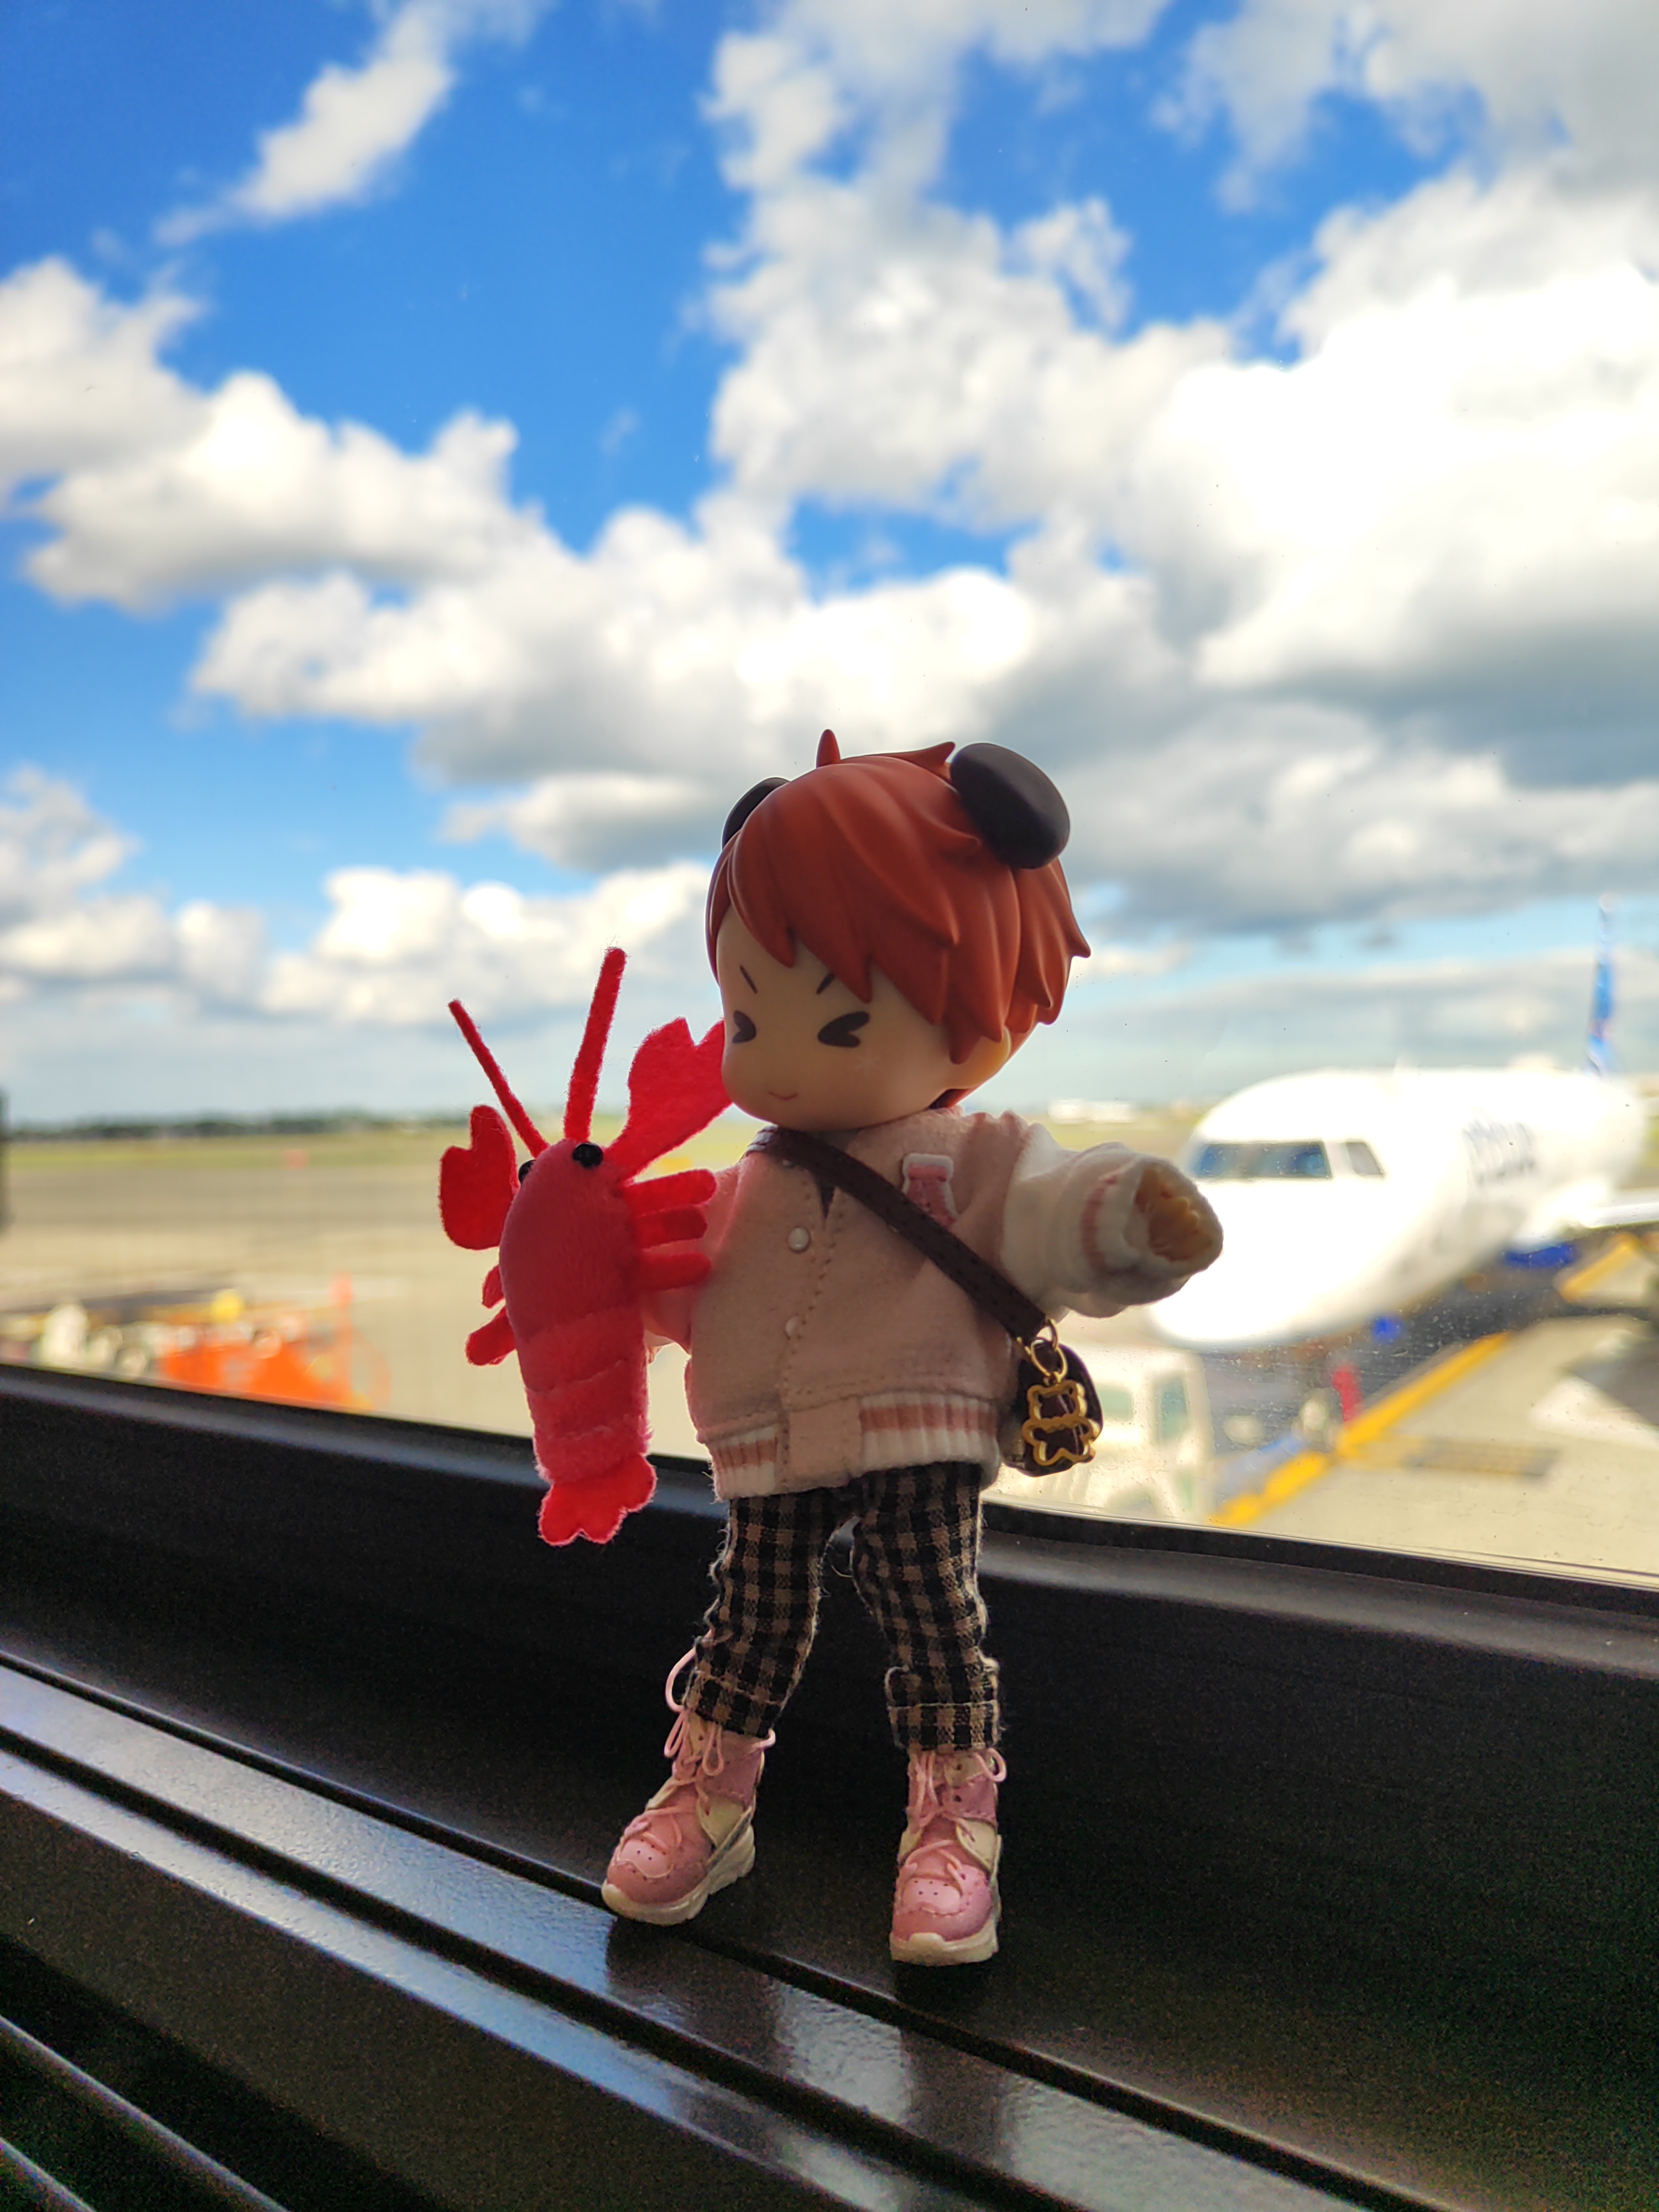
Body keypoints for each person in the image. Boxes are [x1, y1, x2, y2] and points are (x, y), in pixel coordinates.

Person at [602, 731, 1222, 1964]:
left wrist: (1125, 1213)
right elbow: (689, 1285)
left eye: (836, 1023)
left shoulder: (965, 1155)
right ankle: (712, 1797)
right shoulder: (754, 1178)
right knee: (750, 1612)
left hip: (919, 1412)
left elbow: (1047, 1203)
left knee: (932, 1610)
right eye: (746, 1015)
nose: (771, 1057)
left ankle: (954, 1823)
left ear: (980, 1023)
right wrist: (597, 1268)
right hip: (774, 1427)